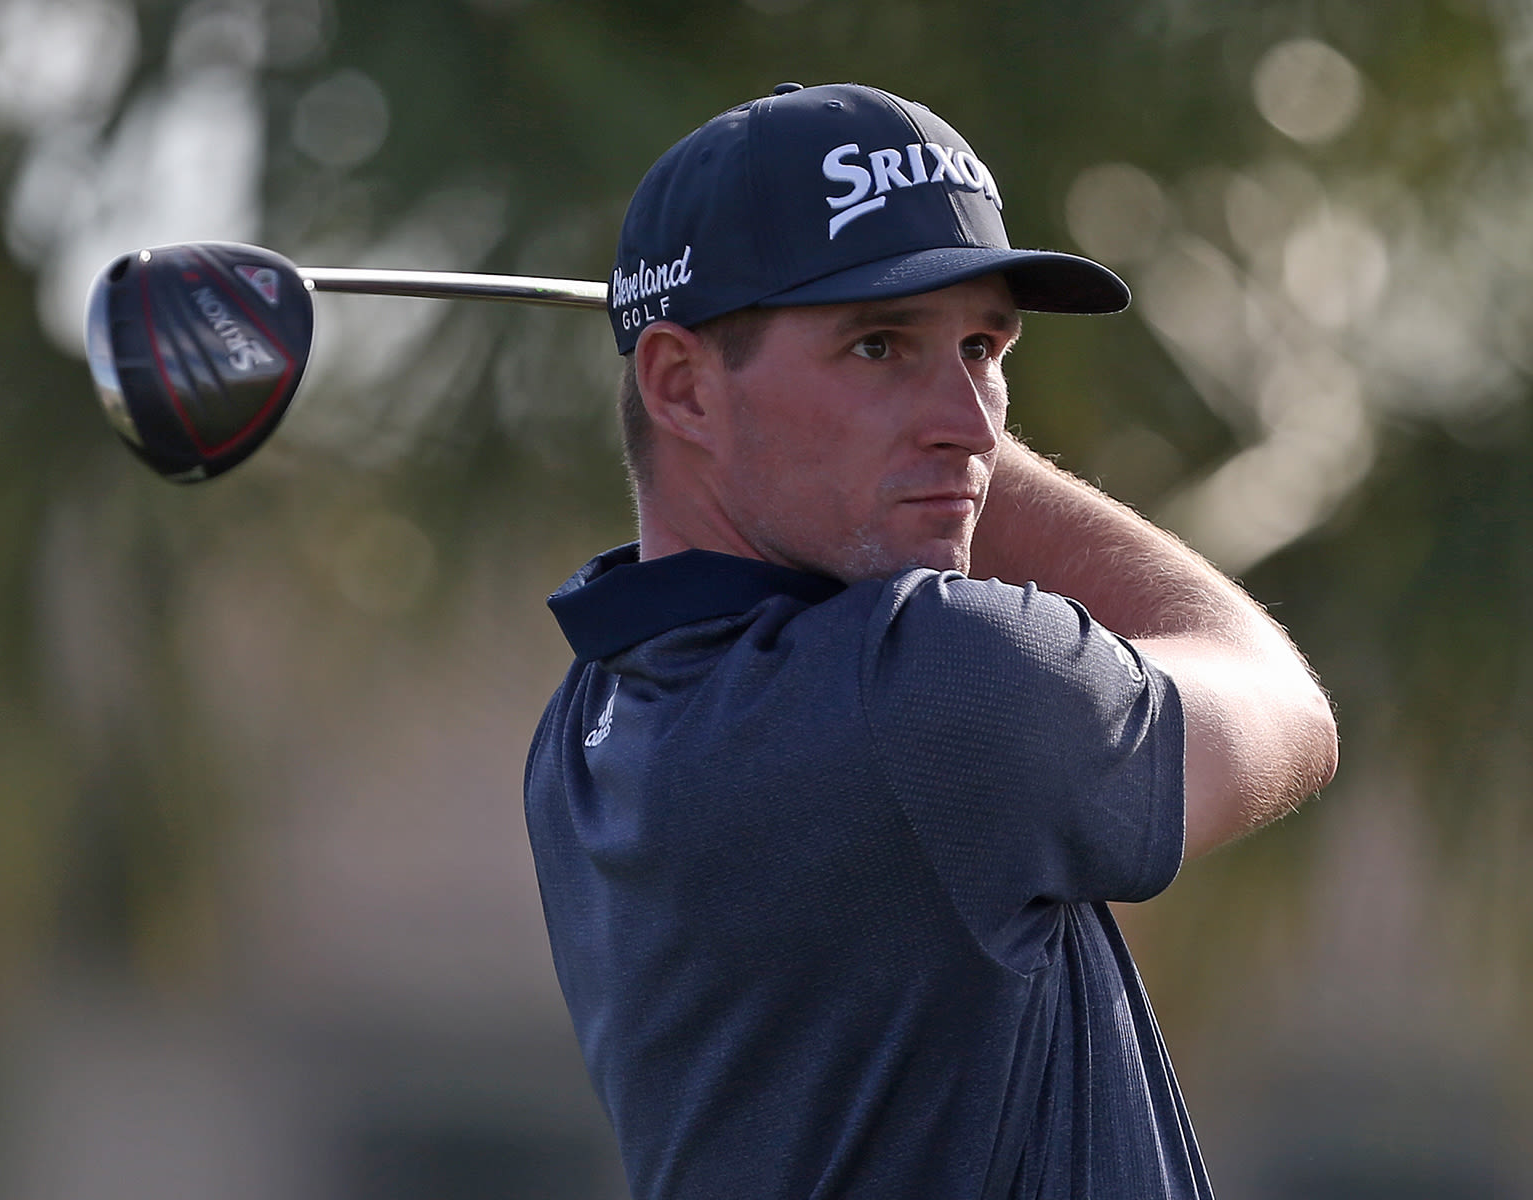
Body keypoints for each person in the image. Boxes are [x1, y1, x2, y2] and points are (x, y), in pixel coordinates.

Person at [524, 82, 1337, 1199]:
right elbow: (1278, 698)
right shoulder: (932, 689)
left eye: (984, 347)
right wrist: (970, 469)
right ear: (680, 387)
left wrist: (912, 440)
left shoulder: (583, 726)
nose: (974, 420)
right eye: (877, 346)